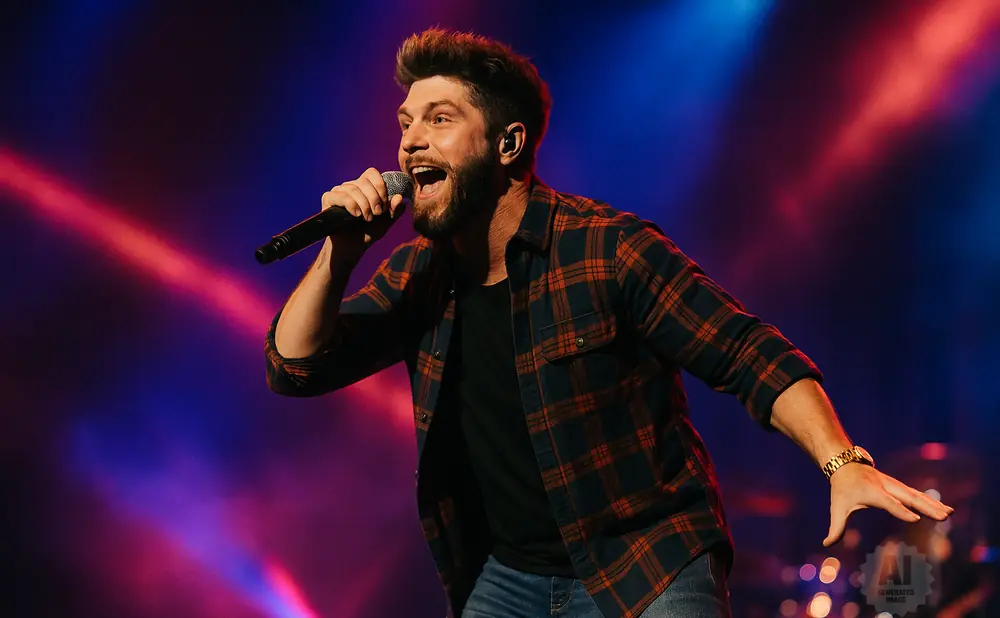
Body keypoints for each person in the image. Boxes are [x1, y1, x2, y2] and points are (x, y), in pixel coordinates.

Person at [264, 28, 954, 618]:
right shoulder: (420, 274)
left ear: (507, 144)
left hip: (648, 562)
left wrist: (841, 461)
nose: (410, 143)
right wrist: (340, 252)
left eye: (438, 119)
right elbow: (295, 368)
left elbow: (746, 353)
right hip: (507, 577)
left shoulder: (607, 249)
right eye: (405, 123)